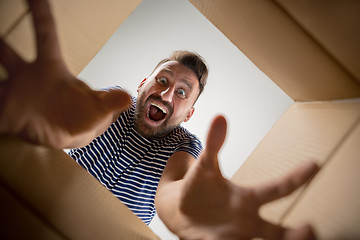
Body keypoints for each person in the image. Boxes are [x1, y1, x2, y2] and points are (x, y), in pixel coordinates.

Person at [0, 0, 318, 239]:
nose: (166, 95)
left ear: (189, 113)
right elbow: (83, 130)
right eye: (163, 81)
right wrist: (61, 127)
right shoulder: (116, 101)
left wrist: (183, 209)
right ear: (143, 84)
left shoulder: (184, 144)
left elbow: (172, 187)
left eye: (182, 93)